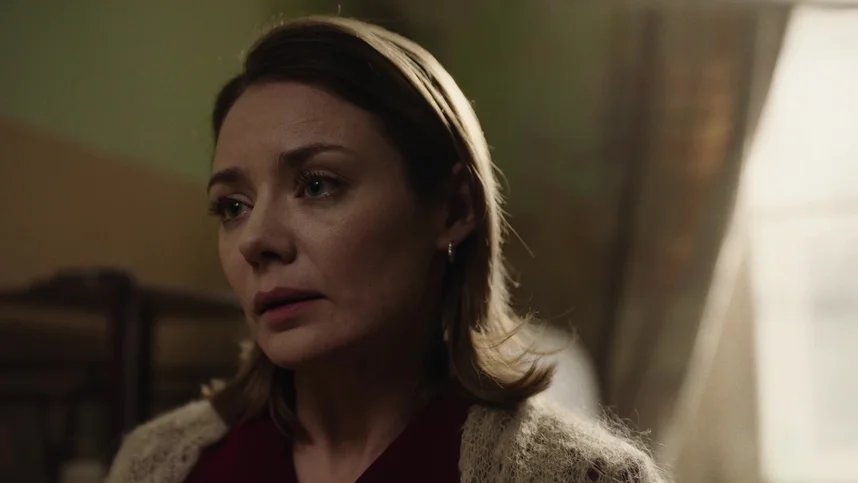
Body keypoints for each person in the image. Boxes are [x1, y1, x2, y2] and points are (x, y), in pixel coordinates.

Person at [106, 16, 667, 483]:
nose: (255, 241)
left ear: (453, 210)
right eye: (233, 206)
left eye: (317, 185)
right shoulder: (156, 466)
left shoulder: (580, 476)